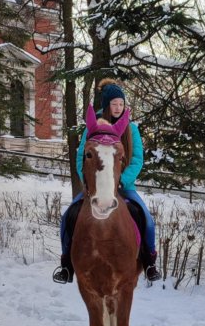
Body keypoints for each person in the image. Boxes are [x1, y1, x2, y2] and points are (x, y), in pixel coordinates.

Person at [53, 78, 160, 284]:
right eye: (114, 104)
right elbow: (81, 158)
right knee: (68, 217)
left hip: (123, 187)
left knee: (147, 220)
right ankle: (66, 265)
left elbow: (137, 159)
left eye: (121, 103)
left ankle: (149, 262)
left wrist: (121, 182)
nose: (118, 107)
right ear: (107, 105)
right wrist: (89, 182)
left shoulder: (132, 129)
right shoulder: (93, 128)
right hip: (95, 188)